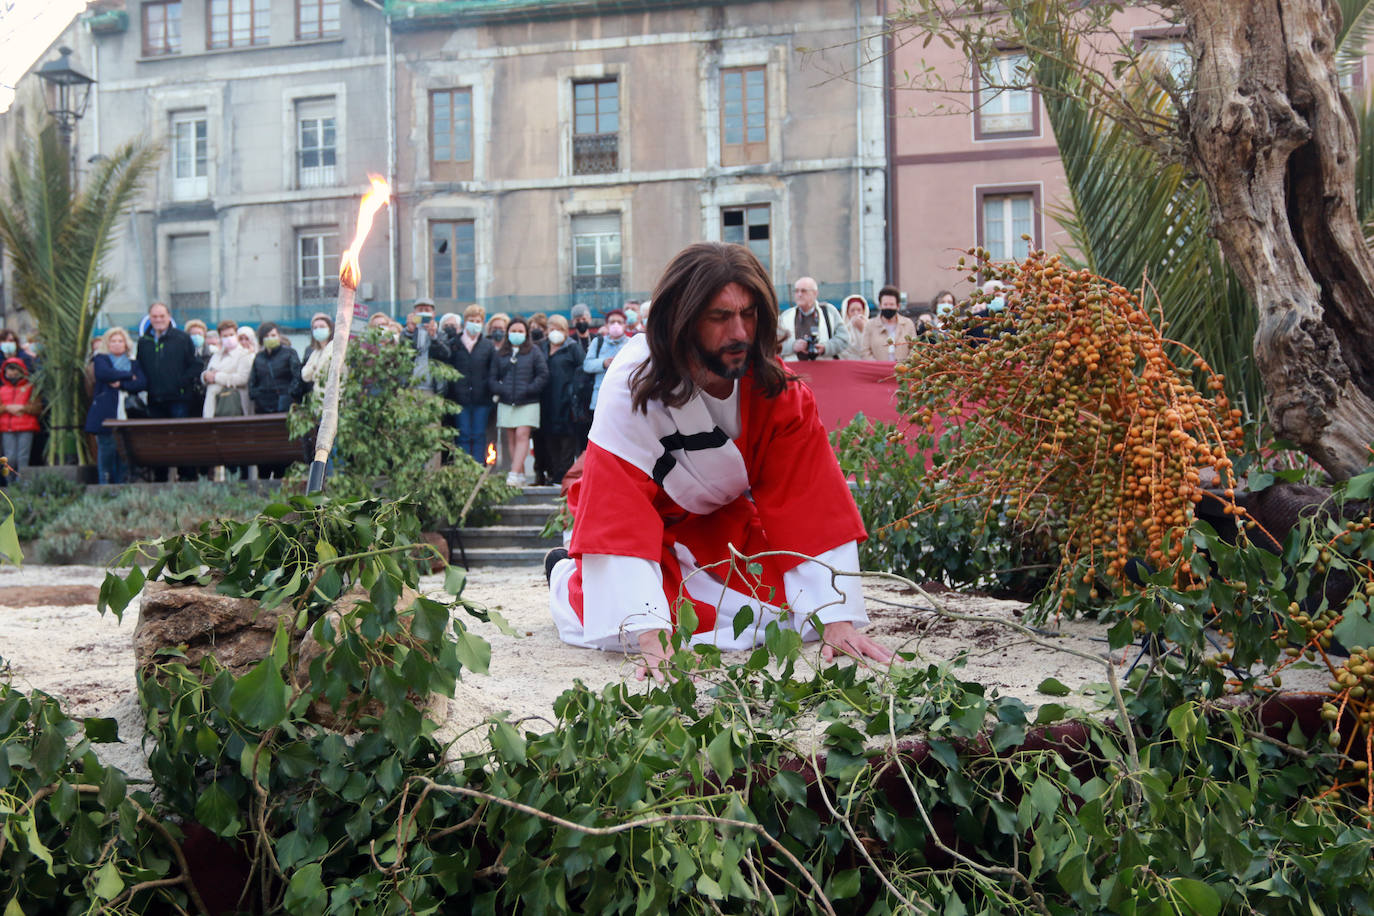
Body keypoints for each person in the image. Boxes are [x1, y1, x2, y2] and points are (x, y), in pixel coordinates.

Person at [545, 242, 892, 679]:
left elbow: (809, 501)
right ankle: (563, 572)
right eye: (720, 317)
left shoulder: (779, 392)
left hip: (718, 525)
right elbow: (618, 506)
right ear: (682, 321)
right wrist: (649, 639)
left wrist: (836, 618)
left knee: (786, 606)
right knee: (623, 622)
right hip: (646, 528)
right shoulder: (631, 384)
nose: (740, 332)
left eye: (748, 314)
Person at [85, 327, 146, 484]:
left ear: (126, 344)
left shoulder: (133, 362)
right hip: (105, 411)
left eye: (120, 341)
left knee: (123, 451)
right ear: (107, 343)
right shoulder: (101, 359)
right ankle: (104, 484)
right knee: (106, 449)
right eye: (113, 341)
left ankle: (121, 484)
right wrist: (127, 376)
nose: (117, 344)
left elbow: (141, 382)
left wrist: (122, 384)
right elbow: (104, 374)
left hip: (127, 411)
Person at [493, 317, 548, 487]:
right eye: (513, 331)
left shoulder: (534, 351)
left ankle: (514, 473)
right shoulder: (501, 353)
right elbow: (492, 378)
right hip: (507, 402)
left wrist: (529, 389)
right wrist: (501, 390)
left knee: (522, 435)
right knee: (511, 439)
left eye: (520, 331)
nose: (516, 334)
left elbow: (543, 374)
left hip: (528, 402)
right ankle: (521, 474)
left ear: (526, 334)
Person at [445, 303, 499, 464]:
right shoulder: (454, 343)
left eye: (478, 320)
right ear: (465, 321)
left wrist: (490, 392)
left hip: (482, 399)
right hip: (459, 399)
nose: (474, 323)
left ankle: (477, 466)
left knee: (479, 434)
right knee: (463, 434)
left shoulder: (487, 346)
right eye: (471, 319)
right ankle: (463, 468)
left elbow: (492, 371)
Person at [536, 314, 586, 485]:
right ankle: (554, 472)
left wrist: (575, 392)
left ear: (565, 331)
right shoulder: (542, 348)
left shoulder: (572, 348)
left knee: (567, 440)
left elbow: (582, 371)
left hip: (567, 401)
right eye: (552, 329)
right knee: (550, 439)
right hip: (546, 400)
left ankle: (564, 474)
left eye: (559, 329)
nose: (555, 332)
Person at [137, 302, 201, 419]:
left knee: (179, 435)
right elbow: (140, 366)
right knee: (158, 436)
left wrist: (180, 383)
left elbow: (196, 365)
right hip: (154, 399)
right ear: (149, 318)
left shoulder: (182, 338)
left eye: (162, 316)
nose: (158, 320)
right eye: (154, 317)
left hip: (179, 399)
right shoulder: (143, 342)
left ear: (169, 316)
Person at [779, 276, 847, 362]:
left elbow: (843, 339)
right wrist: (793, 346)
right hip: (795, 371)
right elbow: (774, 343)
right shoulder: (786, 316)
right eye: (796, 291)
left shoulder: (829, 312)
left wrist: (826, 347)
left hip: (824, 370)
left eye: (804, 291)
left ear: (815, 293)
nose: (799, 294)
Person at [581, 308, 632, 413]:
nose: (616, 325)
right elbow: (587, 365)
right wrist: (603, 363)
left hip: (625, 400)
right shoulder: (598, 342)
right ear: (606, 325)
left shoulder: (631, 343)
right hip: (600, 399)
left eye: (619, 322)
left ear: (625, 325)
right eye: (612, 322)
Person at [0, 356, 42, 484]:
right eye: (9, 371)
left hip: (26, 427)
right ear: (5, 373)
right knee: (9, 458)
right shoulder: (2, 390)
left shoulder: (31, 388)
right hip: (7, 428)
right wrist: (7, 408)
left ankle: (21, 484)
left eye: (15, 370)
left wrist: (22, 408)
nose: (12, 373)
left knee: (23, 457)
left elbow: (37, 407)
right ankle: (10, 483)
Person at [247, 322, 302, 414]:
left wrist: (291, 394)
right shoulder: (259, 357)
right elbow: (253, 381)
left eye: (273, 335)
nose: (270, 338)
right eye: (267, 336)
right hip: (263, 405)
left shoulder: (289, 353)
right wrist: (257, 395)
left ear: (279, 336)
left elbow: (297, 377)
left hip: (285, 403)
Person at [202, 321, 253, 417]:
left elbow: (243, 378)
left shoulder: (244, 354)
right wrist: (205, 376)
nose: (229, 338)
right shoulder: (217, 355)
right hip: (212, 406)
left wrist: (217, 377)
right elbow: (209, 372)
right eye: (225, 336)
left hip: (232, 405)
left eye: (231, 334)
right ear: (220, 338)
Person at [859, 286, 919, 362]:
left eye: (891, 304)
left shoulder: (908, 324)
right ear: (880, 306)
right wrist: (877, 366)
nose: (888, 307)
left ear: (898, 306)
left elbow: (914, 349)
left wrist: (905, 366)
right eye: (885, 304)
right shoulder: (870, 325)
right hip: (877, 371)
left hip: (903, 371)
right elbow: (865, 351)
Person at [838, 294, 869, 360]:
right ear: (847, 313)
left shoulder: (872, 327)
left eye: (859, 310)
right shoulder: (841, 330)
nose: (856, 313)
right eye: (852, 310)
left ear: (864, 311)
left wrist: (863, 329)